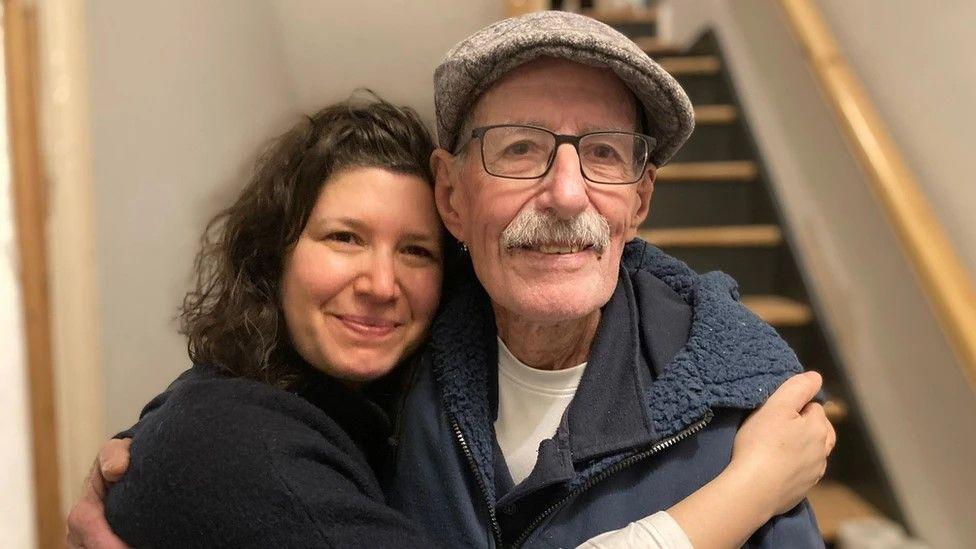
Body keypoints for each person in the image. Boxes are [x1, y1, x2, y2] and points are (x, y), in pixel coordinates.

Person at [67, 12, 834, 549]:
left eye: (603, 153)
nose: (567, 194)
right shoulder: (413, 361)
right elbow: (249, 414)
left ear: (639, 200)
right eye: (520, 147)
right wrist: (152, 454)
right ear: (454, 197)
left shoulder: (747, 418)